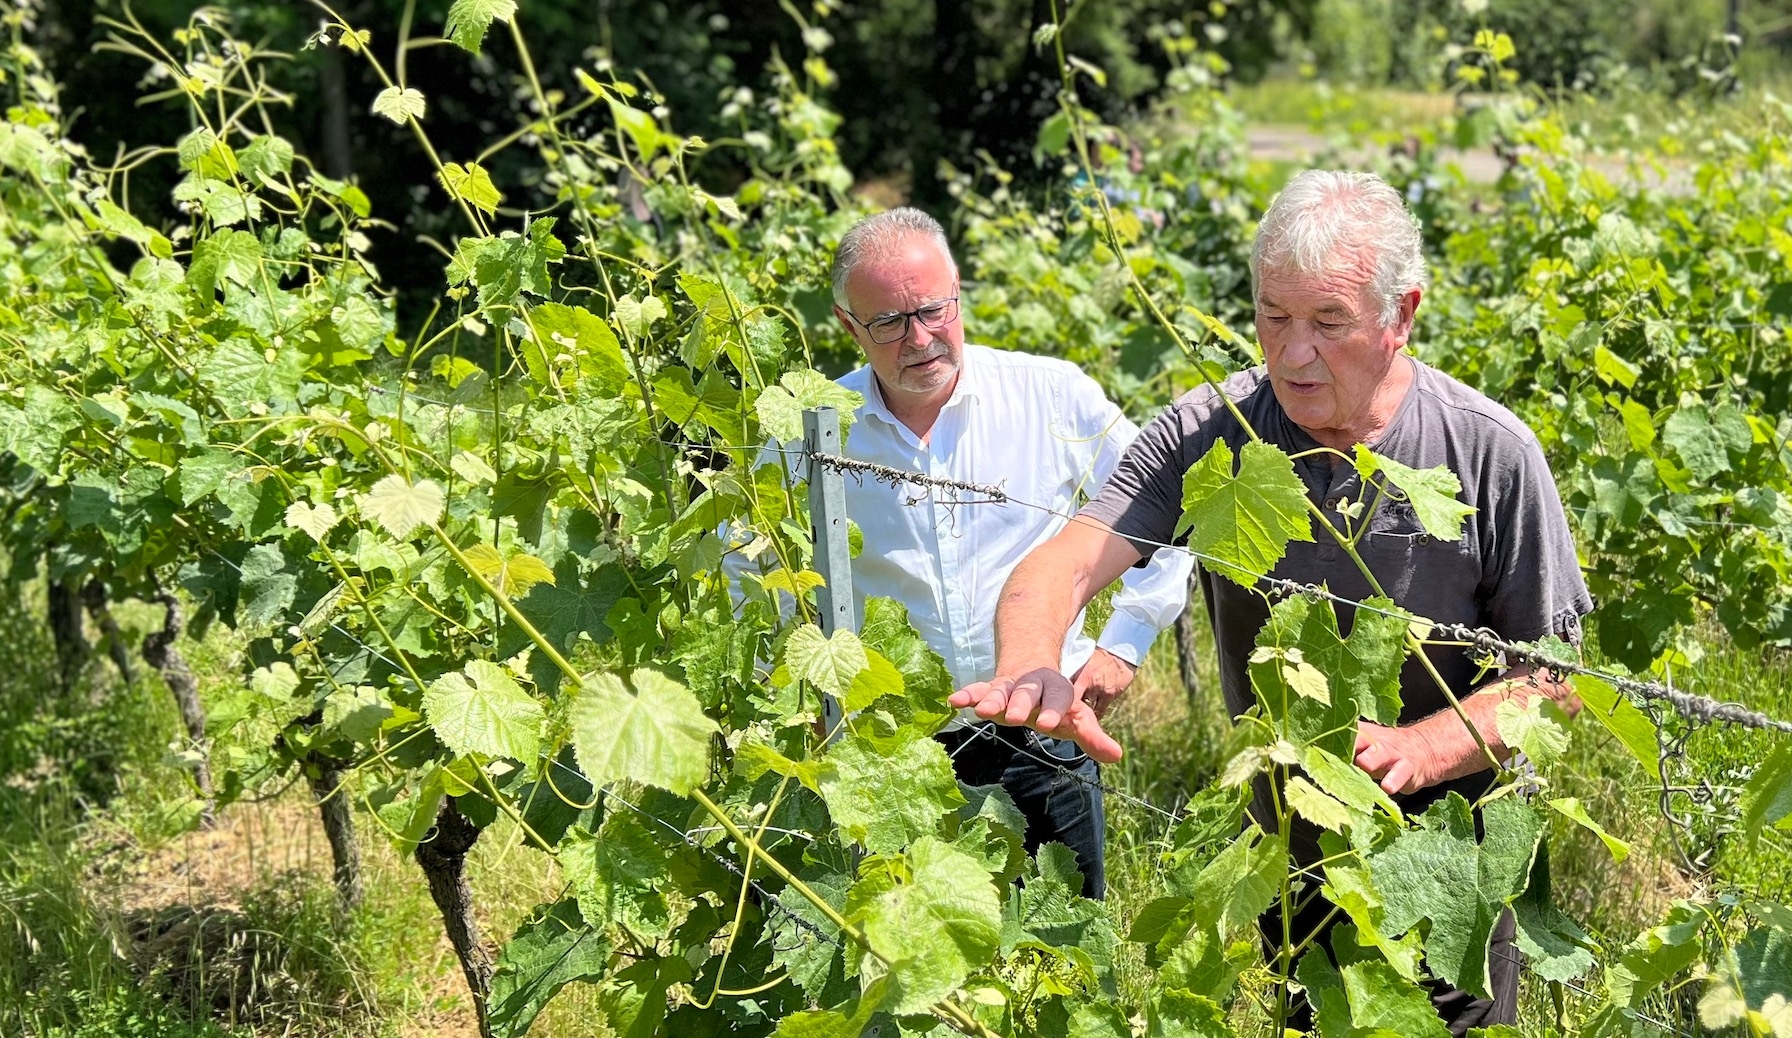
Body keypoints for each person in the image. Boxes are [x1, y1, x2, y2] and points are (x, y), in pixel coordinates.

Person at [949, 170, 1592, 1032]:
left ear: (1401, 316)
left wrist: (1421, 749)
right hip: (1292, 854)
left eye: (1328, 323)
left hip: (1450, 856)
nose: (1292, 354)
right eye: (1272, 316)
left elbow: (1552, 678)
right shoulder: (1214, 434)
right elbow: (1062, 563)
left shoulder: (1489, 455)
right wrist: (1031, 662)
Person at [731, 207, 1191, 898]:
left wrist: (1124, 642)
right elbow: (745, 560)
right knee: (922, 970)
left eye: (933, 310)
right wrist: (797, 698)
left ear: (958, 295)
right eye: (889, 322)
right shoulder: (814, 431)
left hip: (1043, 730)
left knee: (1063, 954)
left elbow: (1167, 510)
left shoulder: (1050, 395)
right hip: (895, 751)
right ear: (847, 326)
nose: (919, 338)